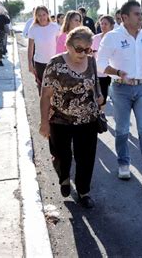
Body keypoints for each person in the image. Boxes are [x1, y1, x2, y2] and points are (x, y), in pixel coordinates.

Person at [97, 1, 142, 186]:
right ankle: (123, 164)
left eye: (141, 13)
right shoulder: (112, 37)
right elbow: (100, 63)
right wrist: (118, 72)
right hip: (121, 89)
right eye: (136, 14)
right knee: (122, 130)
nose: (140, 17)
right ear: (124, 17)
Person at [39, 26, 104, 208]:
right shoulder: (55, 64)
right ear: (68, 45)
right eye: (79, 48)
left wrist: (99, 98)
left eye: (87, 49)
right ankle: (64, 177)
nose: (83, 53)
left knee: (86, 158)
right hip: (60, 120)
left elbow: (95, 86)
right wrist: (44, 122)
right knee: (61, 155)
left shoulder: (91, 61)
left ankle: (84, 192)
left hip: (87, 119)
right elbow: (45, 96)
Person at [27, 5, 60, 94]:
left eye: (44, 14)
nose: (42, 17)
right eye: (39, 15)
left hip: (53, 62)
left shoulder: (55, 27)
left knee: (54, 88)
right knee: (42, 88)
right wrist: (30, 63)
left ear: (48, 14)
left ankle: (52, 107)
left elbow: (59, 45)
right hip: (39, 62)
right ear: (36, 16)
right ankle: (44, 107)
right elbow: (30, 47)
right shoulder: (33, 28)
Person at [91, 15, 115, 111]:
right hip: (98, 72)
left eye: (106, 24)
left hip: (111, 71)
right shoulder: (95, 38)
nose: (103, 26)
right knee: (99, 95)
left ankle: (101, 115)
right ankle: (99, 115)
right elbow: (90, 54)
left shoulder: (115, 38)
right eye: (102, 23)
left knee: (105, 94)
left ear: (111, 25)